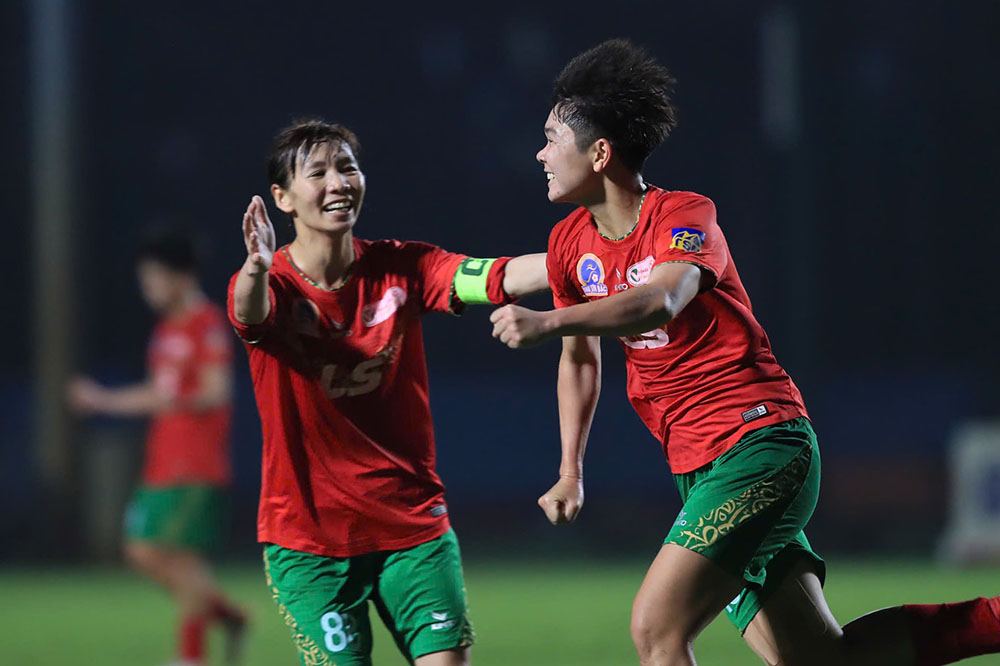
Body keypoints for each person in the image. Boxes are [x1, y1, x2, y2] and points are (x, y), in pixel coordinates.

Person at [489, 38, 1000, 666]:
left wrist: (547, 320)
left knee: (656, 629)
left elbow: (661, 301)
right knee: (819, 658)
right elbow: (580, 358)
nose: (539, 153)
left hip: (761, 446)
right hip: (697, 468)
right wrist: (571, 469)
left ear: (598, 153)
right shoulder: (569, 242)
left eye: (550, 138)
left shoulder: (683, 214)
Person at [228, 119, 547, 666]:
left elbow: (490, 276)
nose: (338, 183)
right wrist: (256, 268)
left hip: (412, 526)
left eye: (348, 168)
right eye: (318, 172)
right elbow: (247, 312)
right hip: (309, 541)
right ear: (282, 198)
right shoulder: (271, 285)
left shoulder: (403, 268)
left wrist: (591, 261)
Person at [68, 231, 247, 666]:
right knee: (141, 550)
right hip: (163, 460)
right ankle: (227, 614)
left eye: (153, 278)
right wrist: (104, 400)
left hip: (195, 462)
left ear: (181, 277)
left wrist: (173, 398)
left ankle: (191, 656)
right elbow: (158, 392)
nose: (147, 287)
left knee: (176, 558)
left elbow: (218, 392)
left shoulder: (206, 324)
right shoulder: (167, 330)